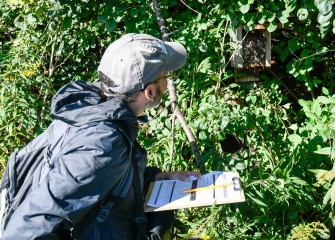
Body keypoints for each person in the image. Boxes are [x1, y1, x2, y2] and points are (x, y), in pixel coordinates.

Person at [1, 33, 201, 240]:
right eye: (165, 77)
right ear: (149, 91)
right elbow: (27, 228)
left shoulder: (90, 108)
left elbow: (102, 180)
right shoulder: (102, 143)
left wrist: (156, 179)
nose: (167, 82)